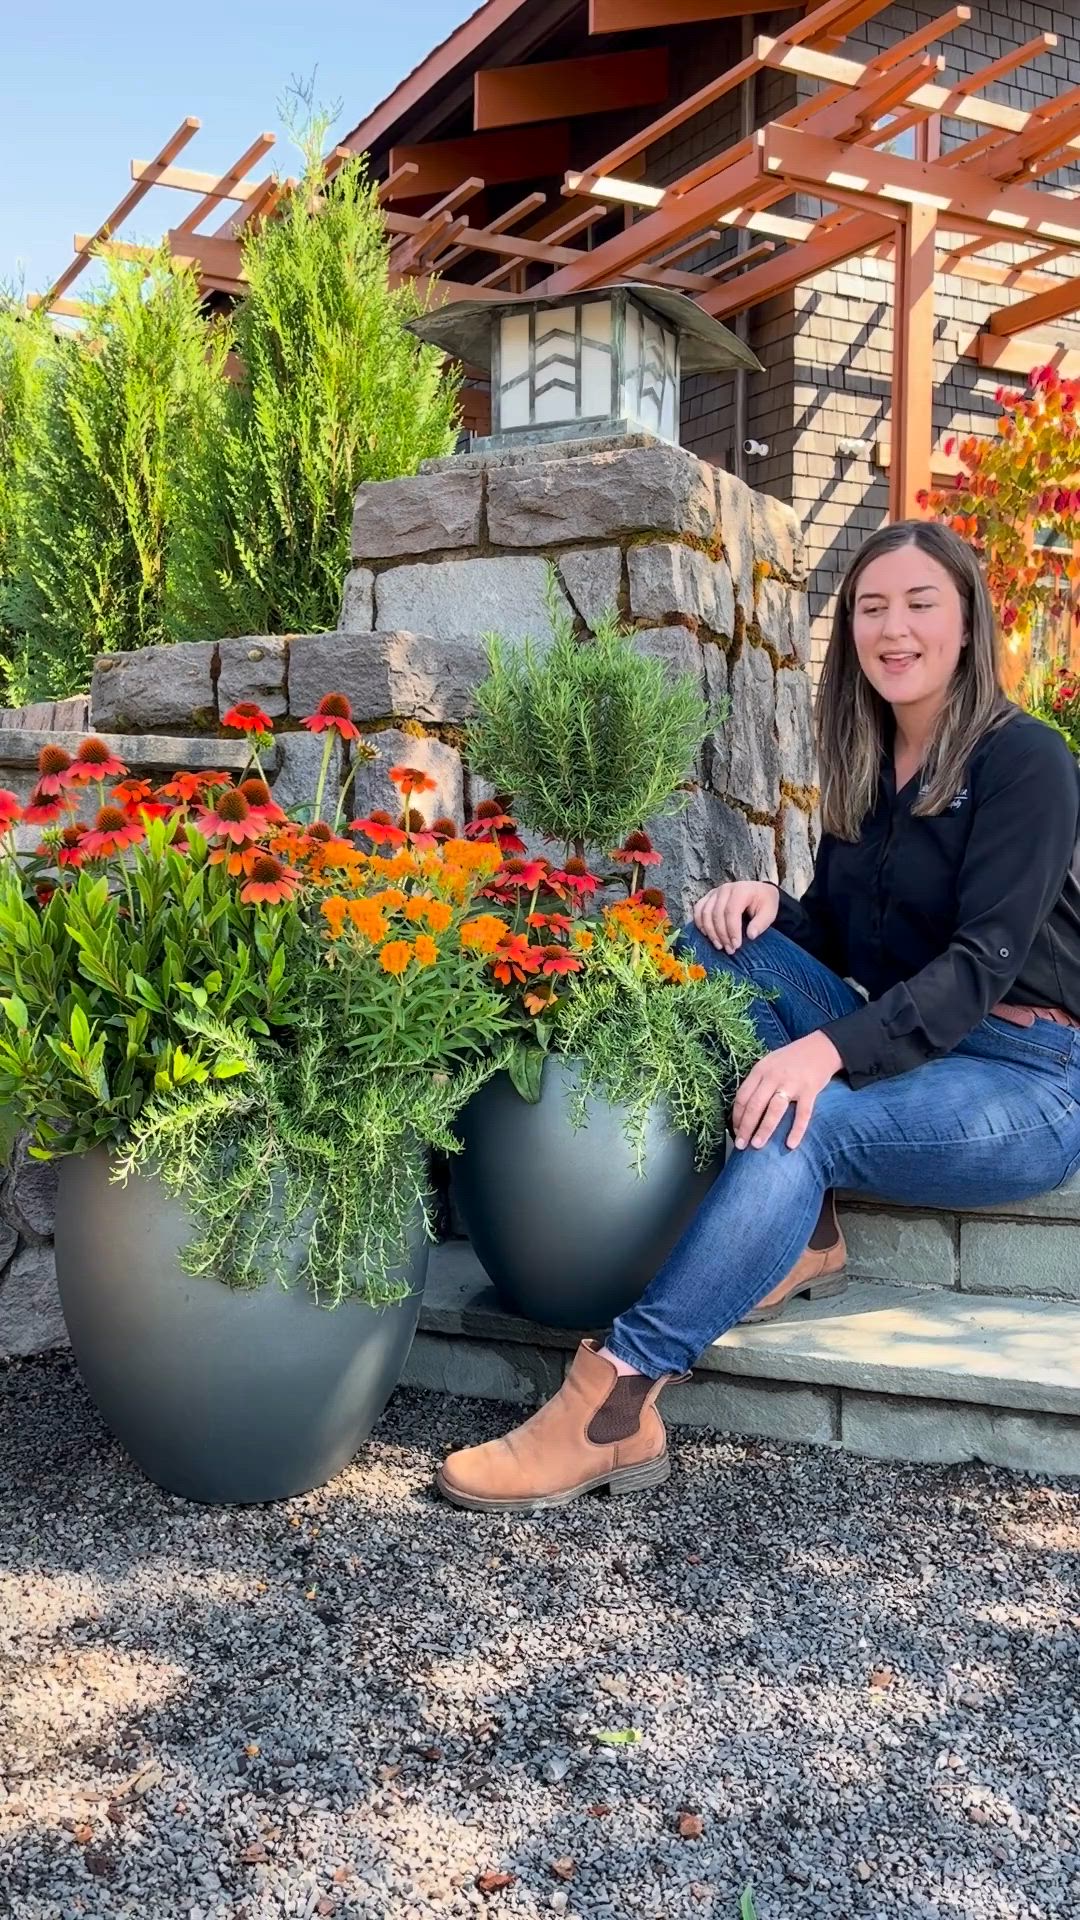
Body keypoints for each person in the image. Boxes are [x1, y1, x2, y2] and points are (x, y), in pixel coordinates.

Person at [436, 521, 1080, 1513]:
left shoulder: (1025, 762)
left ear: (966, 626)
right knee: (714, 945)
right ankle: (808, 1234)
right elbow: (852, 939)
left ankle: (617, 1399)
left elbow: (977, 970)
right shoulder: (868, 765)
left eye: (920, 605)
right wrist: (778, 910)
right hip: (913, 1039)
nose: (894, 628)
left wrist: (822, 1052)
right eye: (872, 607)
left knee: (802, 1119)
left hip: (1029, 1074)